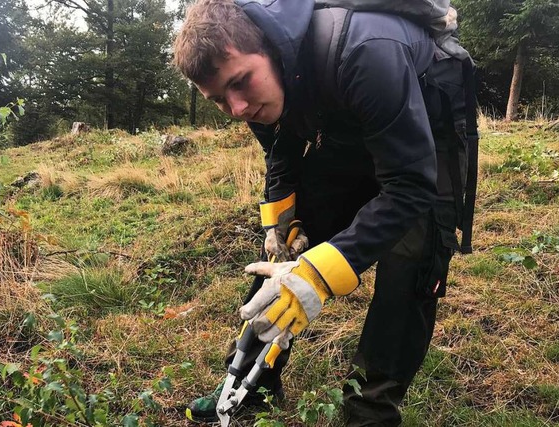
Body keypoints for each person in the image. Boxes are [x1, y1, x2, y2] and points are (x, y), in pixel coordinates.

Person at [173, 0, 476, 425]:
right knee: (288, 253)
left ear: (273, 48)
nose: (237, 108)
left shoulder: (367, 50)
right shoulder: (250, 91)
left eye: (241, 83)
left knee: (412, 259)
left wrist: (320, 274)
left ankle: (369, 410)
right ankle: (246, 383)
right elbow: (281, 151)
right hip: (349, 117)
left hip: (427, 121)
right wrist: (285, 221)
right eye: (219, 99)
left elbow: (409, 184)